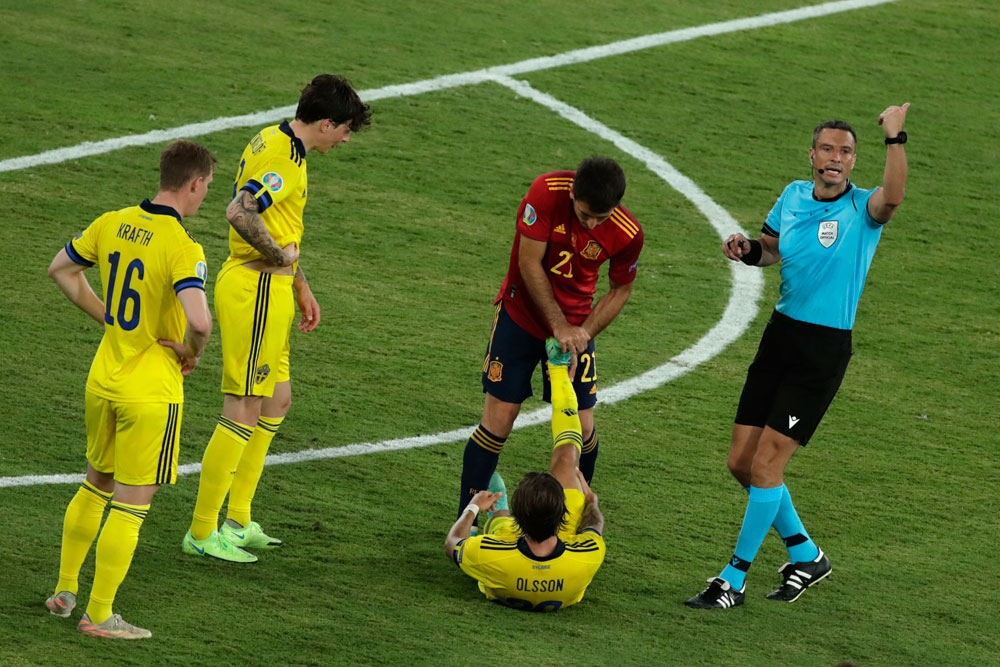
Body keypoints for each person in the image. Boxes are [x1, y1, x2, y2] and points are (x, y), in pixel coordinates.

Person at [686, 104, 910, 609]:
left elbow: (893, 197)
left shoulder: (862, 209)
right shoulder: (791, 194)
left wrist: (894, 138)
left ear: (854, 162)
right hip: (780, 337)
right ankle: (807, 554)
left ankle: (733, 579)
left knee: (767, 465)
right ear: (812, 154)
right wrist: (746, 250)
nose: (836, 158)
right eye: (828, 148)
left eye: (846, 152)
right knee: (741, 464)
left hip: (822, 350)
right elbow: (772, 249)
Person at [182, 74, 371, 562]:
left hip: (276, 288)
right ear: (326, 122)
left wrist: (300, 283)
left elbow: (279, 224)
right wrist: (281, 261)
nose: (346, 138)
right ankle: (202, 532)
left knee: (276, 401)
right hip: (256, 287)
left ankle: (238, 519)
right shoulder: (284, 159)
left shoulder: (277, 138)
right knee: (243, 405)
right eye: (345, 129)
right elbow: (239, 212)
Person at [45, 140, 216, 638]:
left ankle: (63, 591)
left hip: (103, 380)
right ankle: (99, 615)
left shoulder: (112, 221)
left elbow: (61, 269)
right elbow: (200, 321)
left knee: (95, 481)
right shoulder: (184, 247)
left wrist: (109, 318)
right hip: (150, 391)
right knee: (132, 503)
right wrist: (192, 351)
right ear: (194, 183)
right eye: (206, 186)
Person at [457, 157, 643, 520]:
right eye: (585, 214)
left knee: (583, 430)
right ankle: (467, 519)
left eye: (601, 218)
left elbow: (621, 289)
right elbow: (529, 264)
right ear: (573, 192)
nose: (592, 224)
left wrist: (582, 334)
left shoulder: (627, 232)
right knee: (499, 420)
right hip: (519, 317)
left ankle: (571, 523)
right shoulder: (545, 193)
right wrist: (559, 325)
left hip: (575, 329)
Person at [446, 340, 606, 611]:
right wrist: (590, 503)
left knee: (498, 520)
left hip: (508, 550)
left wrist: (473, 507)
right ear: (563, 514)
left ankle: (497, 507)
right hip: (561, 553)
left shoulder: (490, 552)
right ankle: (557, 370)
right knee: (568, 455)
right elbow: (594, 526)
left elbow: (453, 544)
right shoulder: (588, 556)